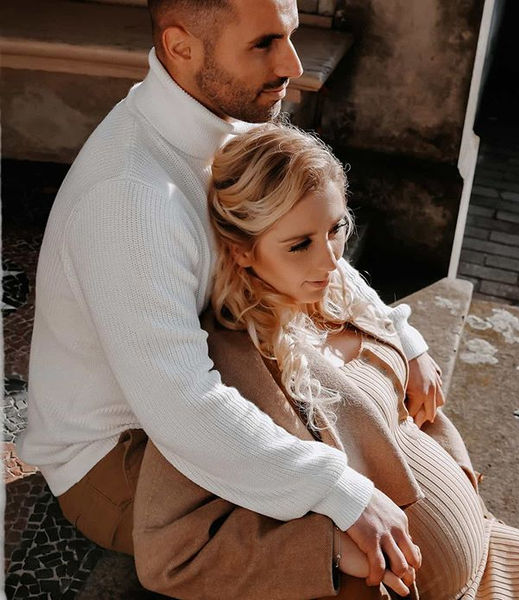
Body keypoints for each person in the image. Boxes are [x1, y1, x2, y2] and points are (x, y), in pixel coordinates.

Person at [17, 0, 439, 586]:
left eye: (290, 35)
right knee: (362, 563)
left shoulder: (233, 120)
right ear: (180, 47)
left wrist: (401, 334)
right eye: (263, 44)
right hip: (121, 458)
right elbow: (181, 404)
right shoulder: (130, 199)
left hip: (215, 380)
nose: (292, 65)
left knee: (375, 381)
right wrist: (338, 489)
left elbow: (313, 239)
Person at [132, 123, 519, 600]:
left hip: (500, 548)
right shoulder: (229, 367)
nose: (332, 261)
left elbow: (404, 418)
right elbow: (169, 555)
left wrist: (458, 471)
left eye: (336, 229)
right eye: (300, 244)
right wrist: (328, 549)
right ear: (243, 251)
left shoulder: (334, 297)